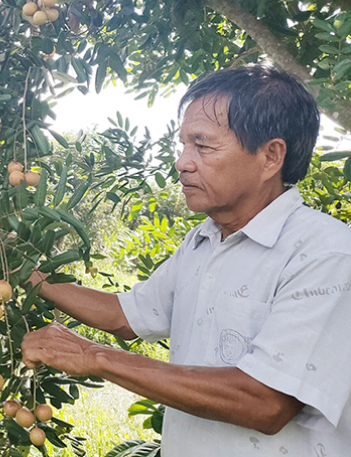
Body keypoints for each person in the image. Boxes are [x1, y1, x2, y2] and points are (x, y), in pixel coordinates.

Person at [21, 65, 351, 456]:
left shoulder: (326, 253)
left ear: (270, 156)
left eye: (203, 145)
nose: (182, 162)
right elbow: (127, 316)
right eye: (183, 145)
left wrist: (93, 357)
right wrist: (27, 275)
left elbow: (266, 402)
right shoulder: (204, 239)